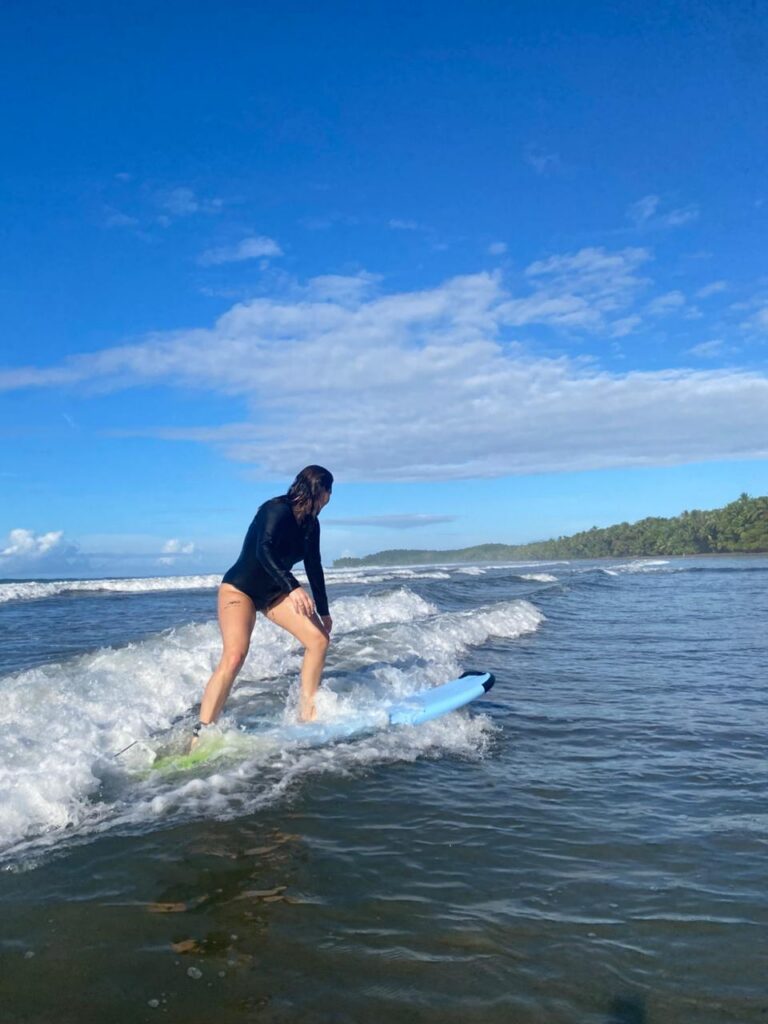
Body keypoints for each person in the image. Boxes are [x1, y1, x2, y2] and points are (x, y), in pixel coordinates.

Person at [192, 465, 334, 747]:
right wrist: (293, 587)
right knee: (234, 657)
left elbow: (314, 566)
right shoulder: (275, 510)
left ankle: (306, 714)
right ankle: (201, 732)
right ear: (320, 491)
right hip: (240, 590)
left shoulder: (311, 525)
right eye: (330, 492)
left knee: (318, 640)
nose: (330, 499)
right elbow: (263, 550)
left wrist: (324, 610)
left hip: (274, 593)